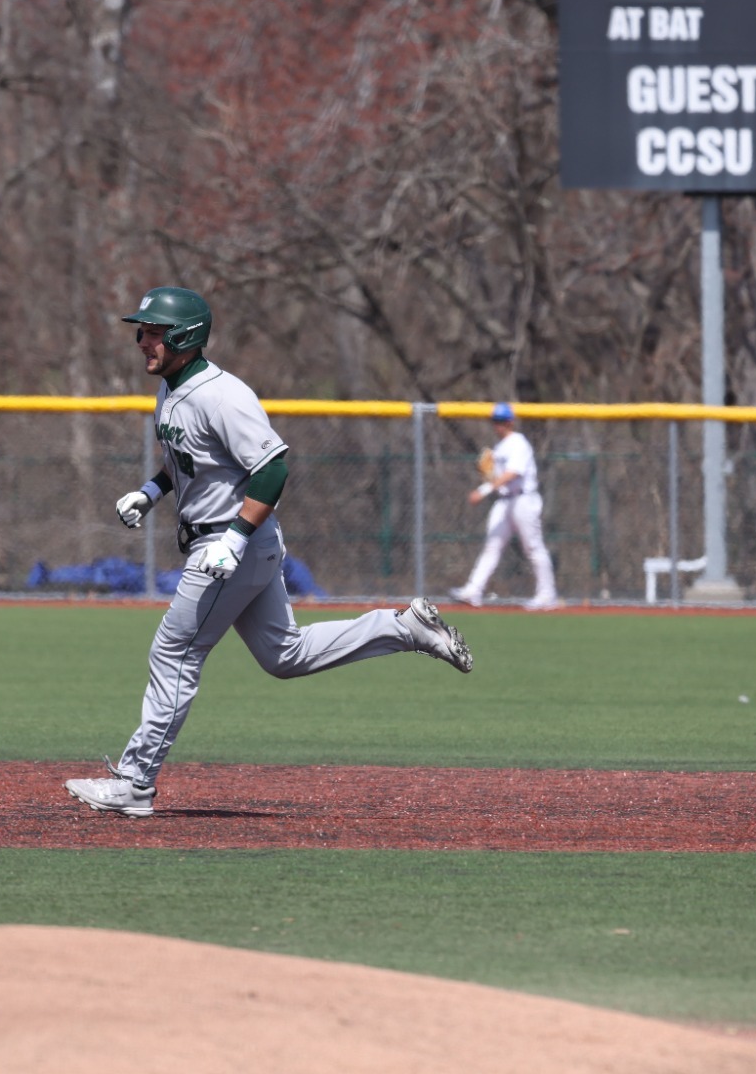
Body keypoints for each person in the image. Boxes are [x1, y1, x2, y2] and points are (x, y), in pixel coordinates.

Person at [64, 286, 474, 816]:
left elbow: (273, 467)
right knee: (285, 656)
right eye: (141, 331)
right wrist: (149, 492)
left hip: (229, 541)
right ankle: (402, 627)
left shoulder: (222, 394)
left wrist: (233, 539)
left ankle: (136, 782)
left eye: (152, 332)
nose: (141, 340)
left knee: (174, 651)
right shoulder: (172, 389)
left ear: (184, 336)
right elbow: (187, 459)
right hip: (234, 542)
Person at [450, 403, 559, 610]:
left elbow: (513, 473)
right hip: (505, 501)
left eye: (501, 421)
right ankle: (473, 591)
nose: (498, 425)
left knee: (533, 547)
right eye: (495, 421)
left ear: (510, 422)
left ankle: (547, 595)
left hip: (523, 500)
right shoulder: (500, 448)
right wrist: (488, 476)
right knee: (492, 545)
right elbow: (498, 476)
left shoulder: (519, 443)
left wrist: (483, 490)